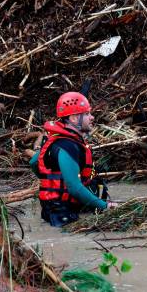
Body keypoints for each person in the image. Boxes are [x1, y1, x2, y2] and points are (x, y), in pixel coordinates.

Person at [30, 91, 117, 227]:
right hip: (62, 214)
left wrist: (52, 179)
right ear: (74, 119)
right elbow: (74, 188)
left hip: (55, 208)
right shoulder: (67, 146)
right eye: (87, 114)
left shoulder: (58, 140)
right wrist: (105, 206)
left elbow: (34, 162)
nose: (92, 117)